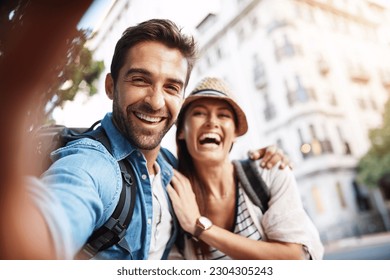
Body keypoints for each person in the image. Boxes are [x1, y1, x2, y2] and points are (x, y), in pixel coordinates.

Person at [4, 19, 289, 260]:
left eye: (171, 87)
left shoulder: (171, 170)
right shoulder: (92, 164)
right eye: (140, 80)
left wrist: (267, 157)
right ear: (110, 86)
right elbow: (47, 224)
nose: (155, 101)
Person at [167, 77, 324, 260]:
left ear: (235, 133)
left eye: (223, 115)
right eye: (199, 113)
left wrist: (200, 227)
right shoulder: (172, 198)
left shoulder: (269, 171)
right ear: (181, 132)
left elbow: (294, 258)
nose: (212, 122)